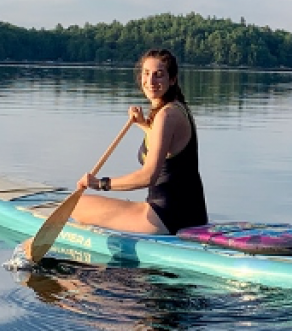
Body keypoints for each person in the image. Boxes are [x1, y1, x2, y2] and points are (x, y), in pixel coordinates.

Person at [73, 48, 208, 234]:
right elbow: (166, 147)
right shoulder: (178, 108)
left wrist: (100, 184)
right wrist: (143, 124)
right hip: (192, 215)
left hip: (167, 217)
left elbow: (148, 176)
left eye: (158, 75)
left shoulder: (166, 116)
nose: (151, 81)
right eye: (146, 74)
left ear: (172, 79)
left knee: (77, 205)